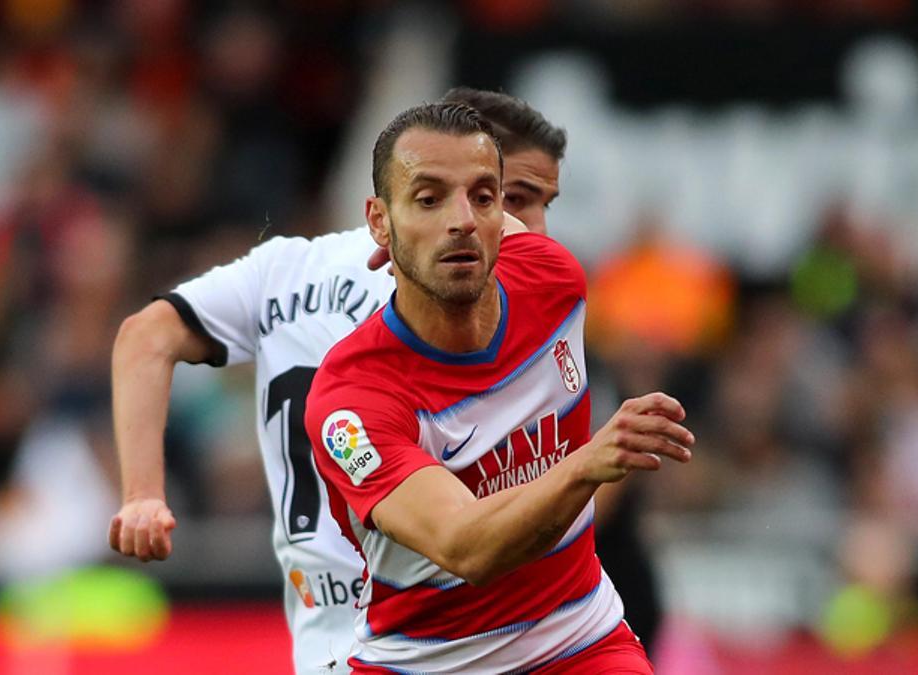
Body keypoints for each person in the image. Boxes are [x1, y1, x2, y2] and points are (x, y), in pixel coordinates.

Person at [107, 89, 566, 673]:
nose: (535, 229)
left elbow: (146, 336)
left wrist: (143, 493)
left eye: (536, 204)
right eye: (514, 199)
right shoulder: (460, 307)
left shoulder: (285, 270)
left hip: (328, 642)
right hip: (441, 640)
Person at [304, 102, 693, 672]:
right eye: (428, 199)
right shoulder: (351, 401)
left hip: (577, 640)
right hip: (426, 662)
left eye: (484, 197)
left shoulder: (553, 282)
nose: (461, 220)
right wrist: (587, 462)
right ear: (379, 222)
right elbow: (466, 547)